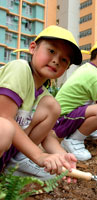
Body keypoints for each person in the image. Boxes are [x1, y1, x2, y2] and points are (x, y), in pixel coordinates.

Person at [0, 25, 82, 180]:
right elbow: (4, 116)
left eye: (64, 60)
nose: (56, 60)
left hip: (5, 150)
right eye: (51, 51)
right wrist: (39, 156)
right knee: (4, 129)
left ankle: (15, 164)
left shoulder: (43, 95)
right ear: (33, 48)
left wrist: (62, 156)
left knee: (53, 106)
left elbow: (46, 136)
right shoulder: (20, 68)